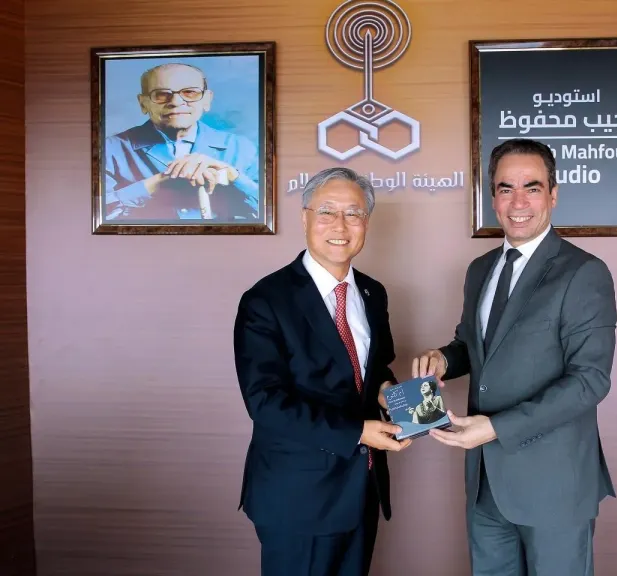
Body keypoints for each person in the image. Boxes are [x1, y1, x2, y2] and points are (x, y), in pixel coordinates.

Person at [413, 138, 617, 576]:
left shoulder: (584, 272)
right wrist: (444, 360)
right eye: (506, 188)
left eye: (532, 187)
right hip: (486, 484)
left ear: (553, 194)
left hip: (554, 484)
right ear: (493, 198)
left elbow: (590, 380)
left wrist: (496, 427)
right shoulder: (480, 270)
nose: (518, 202)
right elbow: (473, 346)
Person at [233, 167, 411, 576]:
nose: (340, 225)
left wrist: (399, 399)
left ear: (366, 222)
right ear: (305, 218)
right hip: (298, 495)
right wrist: (358, 432)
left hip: (361, 488)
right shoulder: (266, 300)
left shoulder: (372, 292)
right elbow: (265, 402)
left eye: (353, 213)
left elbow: (374, 369)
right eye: (327, 211)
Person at [104, 62, 260, 221]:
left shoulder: (241, 148)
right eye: (161, 94)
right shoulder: (109, 150)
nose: (176, 102)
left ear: (207, 100)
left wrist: (233, 176)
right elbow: (96, 215)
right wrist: (160, 181)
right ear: (143, 103)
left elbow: (269, 211)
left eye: (190, 92)